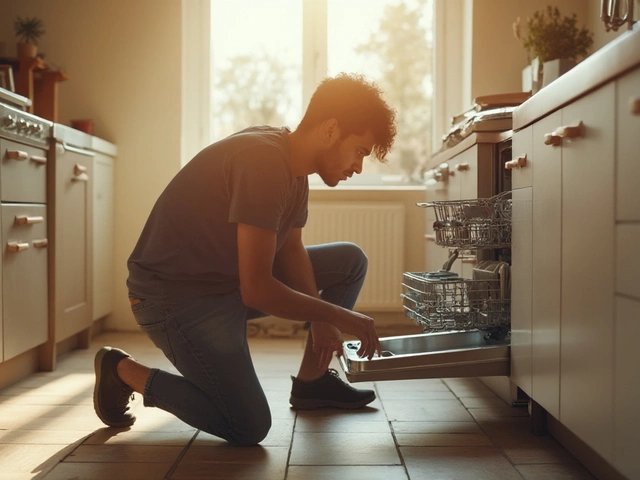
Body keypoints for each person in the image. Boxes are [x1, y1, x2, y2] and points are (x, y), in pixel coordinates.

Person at [93, 73, 397, 446]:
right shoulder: (264, 162)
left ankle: (313, 383)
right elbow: (257, 290)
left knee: (349, 261)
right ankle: (120, 370)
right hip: (173, 299)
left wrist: (322, 321)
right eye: (360, 151)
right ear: (331, 129)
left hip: (222, 284)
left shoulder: (294, 166)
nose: (359, 166)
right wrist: (335, 315)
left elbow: (290, 250)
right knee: (247, 425)